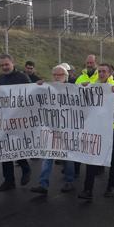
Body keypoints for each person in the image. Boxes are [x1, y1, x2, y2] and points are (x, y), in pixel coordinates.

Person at [78, 63, 114, 201]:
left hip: (113, 129)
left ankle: (111, 186)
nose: (101, 74)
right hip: (96, 128)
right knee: (91, 158)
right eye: (99, 71)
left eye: (104, 71)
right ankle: (88, 190)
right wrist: (81, 89)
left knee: (113, 159)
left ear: (110, 72)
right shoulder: (92, 86)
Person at [30, 65, 76, 195]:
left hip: (67, 129)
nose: (56, 77)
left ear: (66, 76)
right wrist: (36, 86)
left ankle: (69, 181)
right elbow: (30, 97)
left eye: (60, 75)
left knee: (67, 157)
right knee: (47, 157)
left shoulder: (72, 89)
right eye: (54, 74)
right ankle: (43, 184)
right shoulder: (47, 88)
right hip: (50, 128)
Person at [0, 54, 32, 191]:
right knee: (5, 151)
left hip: (19, 120)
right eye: (2, 65)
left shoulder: (22, 77)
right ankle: (8, 180)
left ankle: (26, 169)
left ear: (13, 63)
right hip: (4, 120)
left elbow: (30, 95)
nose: (4, 67)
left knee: (17, 148)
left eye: (6, 64)